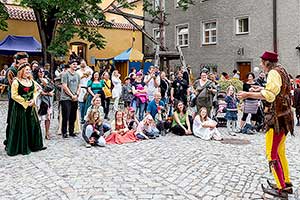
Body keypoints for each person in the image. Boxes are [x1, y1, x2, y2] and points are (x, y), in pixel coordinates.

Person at [237, 51, 294, 198]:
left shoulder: (273, 73)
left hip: (276, 120)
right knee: (280, 152)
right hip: (284, 118)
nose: (261, 65)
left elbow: (269, 95)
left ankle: (281, 189)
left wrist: (247, 94)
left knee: (272, 154)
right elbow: (276, 91)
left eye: (262, 63)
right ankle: (286, 183)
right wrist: (260, 89)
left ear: (267, 63)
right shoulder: (281, 70)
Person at [6, 63, 46, 156]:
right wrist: (25, 102)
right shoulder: (16, 81)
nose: (28, 71)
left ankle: (35, 145)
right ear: (21, 71)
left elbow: (37, 90)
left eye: (29, 70)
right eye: (26, 70)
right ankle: (20, 147)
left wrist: (33, 99)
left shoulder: (31, 80)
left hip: (31, 107)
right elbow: (14, 95)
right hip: (20, 108)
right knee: (21, 126)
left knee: (33, 125)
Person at [4, 52, 29, 150]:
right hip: (14, 99)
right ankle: (8, 143)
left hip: (25, 98)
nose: (26, 62)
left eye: (26, 60)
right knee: (12, 120)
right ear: (18, 60)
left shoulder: (25, 69)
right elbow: (12, 85)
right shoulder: (11, 70)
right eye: (24, 60)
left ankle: (22, 142)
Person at [60, 59, 81, 138]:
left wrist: (77, 94)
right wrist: (71, 95)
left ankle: (71, 131)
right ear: (70, 65)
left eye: (76, 64)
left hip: (75, 97)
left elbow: (79, 85)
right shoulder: (65, 74)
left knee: (73, 115)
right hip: (66, 98)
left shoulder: (77, 75)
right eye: (73, 64)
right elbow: (64, 86)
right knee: (66, 115)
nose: (75, 65)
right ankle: (64, 132)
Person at [34, 66, 55, 140]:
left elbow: (53, 87)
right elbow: (38, 91)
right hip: (40, 101)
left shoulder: (47, 79)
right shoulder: (35, 81)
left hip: (48, 101)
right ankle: (37, 133)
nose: (42, 73)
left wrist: (51, 91)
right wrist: (47, 93)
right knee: (39, 118)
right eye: (40, 72)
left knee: (48, 117)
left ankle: (47, 133)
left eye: (43, 71)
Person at [77, 59, 93, 124]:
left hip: (88, 88)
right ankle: (82, 117)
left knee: (88, 104)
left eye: (84, 63)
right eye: (82, 63)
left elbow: (91, 75)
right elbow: (77, 79)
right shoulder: (78, 72)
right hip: (81, 88)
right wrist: (83, 76)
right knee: (81, 104)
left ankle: (87, 117)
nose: (83, 64)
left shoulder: (89, 70)